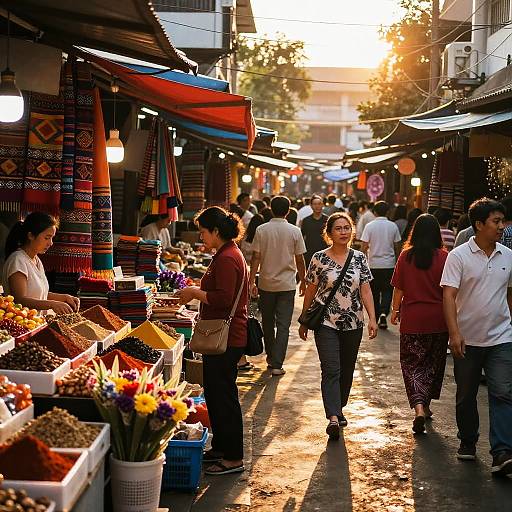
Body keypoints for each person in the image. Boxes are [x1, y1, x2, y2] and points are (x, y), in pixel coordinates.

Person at [441, 198, 512, 475]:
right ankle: (468, 441)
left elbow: (509, 293)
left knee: (503, 393)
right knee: (466, 393)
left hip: (502, 338)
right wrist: (454, 332)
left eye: (503, 221)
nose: (502, 227)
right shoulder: (458, 256)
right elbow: (448, 295)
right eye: (496, 221)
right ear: (479, 224)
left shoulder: (508, 254)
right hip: (467, 338)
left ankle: (502, 451)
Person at [176, 206, 248, 475]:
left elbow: (223, 298)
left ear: (216, 231)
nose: (201, 237)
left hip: (227, 338)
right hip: (226, 335)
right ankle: (220, 448)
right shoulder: (227, 253)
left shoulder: (228, 257)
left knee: (225, 397)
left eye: (203, 232)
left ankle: (233, 458)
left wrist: (196, 291)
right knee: (217, 396)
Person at [299, 212, 377, 438]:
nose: (343, 232)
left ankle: (338, 406)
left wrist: (372, 318)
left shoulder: (360, 258)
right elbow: (311, 291)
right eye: (338, 228)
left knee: (347, 369)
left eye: (347, 228)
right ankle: (333, 415)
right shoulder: (319, 258)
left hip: (353, 322)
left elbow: (365, 289)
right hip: (326, 322)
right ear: (329, 233)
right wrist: (304, 320)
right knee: (331, 368)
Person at [390, 214, 449, 434]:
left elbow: (399, 288)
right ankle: (427, 406)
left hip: (412, 320)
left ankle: (418, 408)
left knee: (413, 365)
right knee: (432, 365)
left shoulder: (406, 256)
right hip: (438, 320)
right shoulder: (444, 257)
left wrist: (395, 311)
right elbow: (450, 291)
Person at [249, 196, 307, 376]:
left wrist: (251, 281)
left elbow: (256, 257)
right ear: (288, 211)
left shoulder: (261, 229)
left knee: (267, 322)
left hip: (266, 283)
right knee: (283, 325)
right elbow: (300, 259)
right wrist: (303, 281)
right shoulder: (294, 231)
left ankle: (271, 357)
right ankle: (277, 363)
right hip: (287, 285)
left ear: (271, 210)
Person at [2, 212, 79, 314]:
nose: (50, 243)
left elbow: (40, 294)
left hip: (38, 323)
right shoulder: (17, 260)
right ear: (31, 236)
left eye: (52, 238)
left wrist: (64, 297)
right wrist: (52, 304)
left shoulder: (37, 260)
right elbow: (19, 300)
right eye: (47, 238)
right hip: (25, 325)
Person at [361, 201, 401, 330]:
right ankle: (384, 312)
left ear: (375, 212)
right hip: (389, 264)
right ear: (388, 212)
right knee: (388, 290)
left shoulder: (369, 226)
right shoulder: (393, 226)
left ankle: (377, 315)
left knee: (374, 291)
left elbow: (364, 247)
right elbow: (397, 246)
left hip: (373, 264)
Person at [301, 195, 328, 268]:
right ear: (311, 206)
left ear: (323, 205)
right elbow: (302, 237)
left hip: (324, 253)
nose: (317, 206)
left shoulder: (327, 220)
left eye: (319, 204)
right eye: (315, 204)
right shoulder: (306, 220)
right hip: (309, 253)